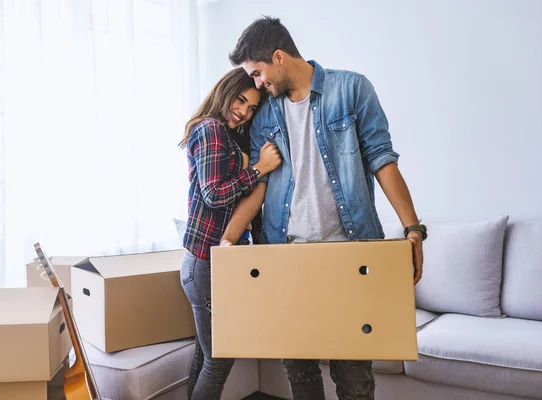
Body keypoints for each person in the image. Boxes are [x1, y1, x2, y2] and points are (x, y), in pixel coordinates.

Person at [220, 17, 427, 400]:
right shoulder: (266, 114)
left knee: (354, 381)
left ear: (278, 57)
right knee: (299, 376)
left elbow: (383, 160)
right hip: (287, 258)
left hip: (351, 255)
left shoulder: (351, 89)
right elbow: (260, 184)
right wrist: (228, 241)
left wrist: (413, 228)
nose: (257, 84)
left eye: (258, 73)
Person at [178, 67, 281, 400]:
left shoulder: (224, 133)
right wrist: (259, 169)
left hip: (207, 262)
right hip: (205, 264)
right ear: (225, 91)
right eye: (240, 100)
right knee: (219, 360)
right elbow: (214, 194)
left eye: (251, 108)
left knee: (205, 357)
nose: (244, 111)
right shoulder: (210, 129)